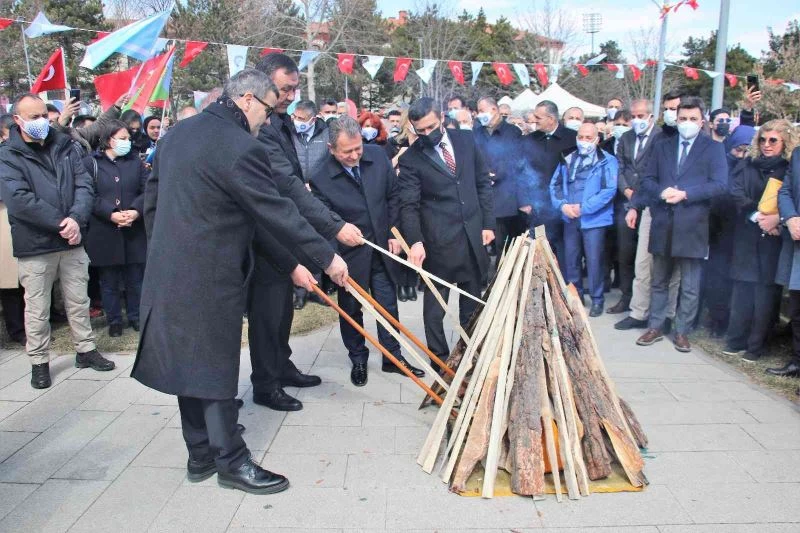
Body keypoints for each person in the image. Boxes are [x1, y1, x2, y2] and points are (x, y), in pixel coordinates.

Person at [134, 69, 348, 494]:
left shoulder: (177, 134)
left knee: (188, 362)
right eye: (268, 110)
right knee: (214, 366)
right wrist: (325, 254)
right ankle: (231, 460)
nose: (268, 121)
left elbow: (152, 203)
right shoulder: (238, 146)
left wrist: (166, 250)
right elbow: (276, 209)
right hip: (209, 273)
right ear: (247, 100)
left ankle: (200, 452)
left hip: (169, 267)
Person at [251, 53, 362, 412]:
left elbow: (295, 182)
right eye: (285, 89)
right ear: (264, 83)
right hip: (264, 234)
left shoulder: (279, 121)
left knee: (282, 310)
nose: (290, 96)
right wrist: (333, 227)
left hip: (285, 231)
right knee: (267, 313)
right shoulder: (258, 127)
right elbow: (286, 184)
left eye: (295, 89)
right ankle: (265, 384)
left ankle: (281, 366)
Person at [0, 93, 115, 389]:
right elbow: (19, 199)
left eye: (44, 115)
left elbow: (84, 184)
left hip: (73, 239)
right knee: (37, 308)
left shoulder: (65, 145)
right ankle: (39, 361)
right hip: (36, 243)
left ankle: (86, 350)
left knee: (79, 300)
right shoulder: (7, 155)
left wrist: (76, 219)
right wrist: (60, 223)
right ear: (18, 120)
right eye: (34, 116)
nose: (42, 121)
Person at [311, 117, 424, 385]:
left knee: (387, 305)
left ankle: (393, 358)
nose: (354, 156)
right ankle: (358, 359)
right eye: (346, 152)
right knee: (351, 309)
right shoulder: (320, 177)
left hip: (382, 247)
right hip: (349, 256)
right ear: (331, 149)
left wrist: (393, 231)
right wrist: (333, 256)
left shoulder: (377, 156)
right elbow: (321, 221)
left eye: (358, 148)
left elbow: (393, 196)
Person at [398, 97, 495, 368]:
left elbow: (482, 184)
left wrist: (488, 224)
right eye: (420, 131)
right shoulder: (411, 159)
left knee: (472, 305)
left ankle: (471, 354)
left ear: (441, 117)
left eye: (431, 127)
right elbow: (409, 205)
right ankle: (440, 360)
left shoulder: (466, 141)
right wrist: (415, 241)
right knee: (435, 309)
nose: (426, 135)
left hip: (472, 236)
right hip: (438, 242)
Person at [634, 97, 727, 353]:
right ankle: (655, 325)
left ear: (702, 121)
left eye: (692, 119)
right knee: (659, 280)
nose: (687, 123)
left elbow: (719, 185)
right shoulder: (662, 146)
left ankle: (682, 331)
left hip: (693, 224)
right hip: (663, 221)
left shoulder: (712, 149)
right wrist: (663, 191)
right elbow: (648, 180)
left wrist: (685, 193)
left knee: (690, 284)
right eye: (682, 118)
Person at [724, 120, 796, 362]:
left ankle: (757, 346)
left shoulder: (789, 168)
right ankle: (736, 340)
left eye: (773, 140)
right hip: (747, 232)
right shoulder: (748, 164)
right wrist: (755, 215)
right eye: (762, 140)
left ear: (784, 142)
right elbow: (735, 192)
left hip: (774, 238)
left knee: (765, 294)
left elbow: (792, 199)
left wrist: (778, 219)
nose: (766, 145)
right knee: (742, 290)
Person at [614, 97, 681, 329]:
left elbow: (652, 174)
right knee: (640, 263)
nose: (636, 120)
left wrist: (638, 197)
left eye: (641, 116)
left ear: (651, 116)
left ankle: (665, 315)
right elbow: (620, 168)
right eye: (633, 116)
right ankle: (638, 312)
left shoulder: (664, 138)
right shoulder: (626, 138)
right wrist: (629, 194)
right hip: (635, 201)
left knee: (665, 267)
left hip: (660, 205)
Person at [82, 119, 148, 337]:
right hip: (105, 230)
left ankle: (136, 316)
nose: (126, 142)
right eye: (122, 139)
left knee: (135, 280)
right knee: (108, 281)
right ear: (108, 140)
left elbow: (147, 190)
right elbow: (88, 195)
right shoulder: (91, 163)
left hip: (133, 229)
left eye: (128, 138)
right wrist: (110, 213)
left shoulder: (135, 162)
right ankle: (114, 321)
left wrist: (136, 211)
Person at [550, 122, 617, 317]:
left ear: (597, 139)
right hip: (570, 217)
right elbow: (554, 185)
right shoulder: (567, 158)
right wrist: (562, 205)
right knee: (571, 259)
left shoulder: (607, 161)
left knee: (594, 260)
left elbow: (608, 191)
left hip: (594, 219)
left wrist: (584, 208)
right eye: (581, 137)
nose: (584, 141)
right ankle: (575, 295)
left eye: (589, 138)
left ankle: (597, 299)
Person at [474, 96, 529, 252]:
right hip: (482, 195)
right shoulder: (476, 133)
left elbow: (517, 161)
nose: (479, 115)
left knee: (504, 245)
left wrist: (496, 174)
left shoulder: (512, 132)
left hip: (505, 196)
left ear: (494, 110)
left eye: (482, 111)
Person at [289, 100, 331, 310]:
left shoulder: (326, 135)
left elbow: (330, 163)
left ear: (314, 119)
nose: (297, 122)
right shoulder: (289, 133)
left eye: (302, 119)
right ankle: (300, 292)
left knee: (317, 240)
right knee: (297, 240)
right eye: (295, 117)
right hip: (294, 194)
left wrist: (316, 184)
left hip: (318, 195)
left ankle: (319, 288)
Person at [526, 100, 577, 267]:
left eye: (538, 117)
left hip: (563, 203)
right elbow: (519, 169)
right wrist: (523, 200)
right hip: (536, 203)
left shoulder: (572, 138)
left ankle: (562, 285)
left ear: (551, 118)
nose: (534, 120)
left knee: (563, 247)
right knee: (538, 246)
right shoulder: (529, 140)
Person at [770, 145, 800, 380]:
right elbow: (786, 190)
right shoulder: (798, 153)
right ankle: (797, 362)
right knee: (797, 306)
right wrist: (789, 218)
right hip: (796, 238)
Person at [383, 111, 419, 302]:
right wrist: (400, 156)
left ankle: (411, 284)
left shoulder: (422, 144)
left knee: (412, 241)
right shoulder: (394, 143)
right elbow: (384, 168)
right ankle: (400, 285)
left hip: (414, 199)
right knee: (398, 240)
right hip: (396, 197)